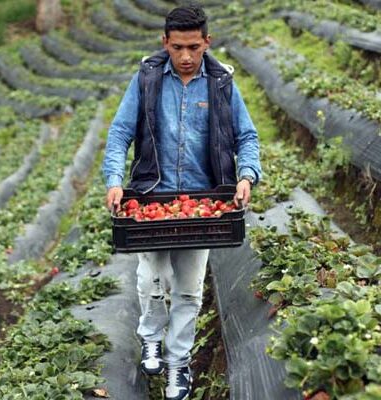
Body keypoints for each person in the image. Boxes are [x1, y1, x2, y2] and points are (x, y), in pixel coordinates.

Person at [101, 4, 261, 400]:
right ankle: (151, 336)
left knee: (189, 291)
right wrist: (114, 181)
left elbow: (247, 136)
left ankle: (178, 365)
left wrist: (246, 175)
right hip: (152, 193)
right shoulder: (148, 79)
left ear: (207, 42)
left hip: (203, 200)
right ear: (165, 44)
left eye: (194, 47)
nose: (186, 56)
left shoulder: (222, 83)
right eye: (177, 47)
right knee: (150, 280)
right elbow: (121, 131)